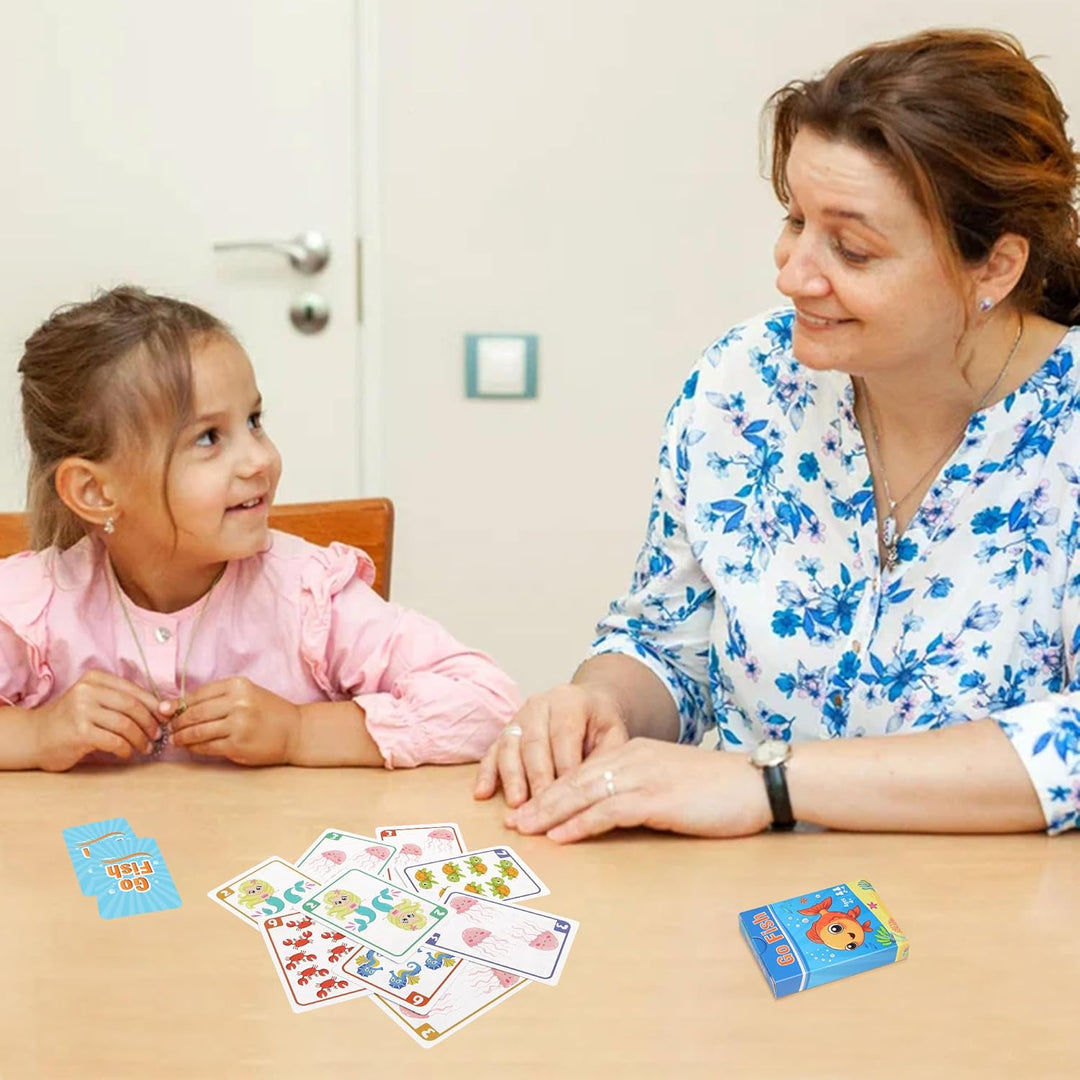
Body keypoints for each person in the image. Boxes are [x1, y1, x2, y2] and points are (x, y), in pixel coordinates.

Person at [476, 28, 1080, 841]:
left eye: (853, 248)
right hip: (748, 903)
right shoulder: (745, 383)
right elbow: (667, 641)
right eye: (795, 220)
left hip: (998, 930)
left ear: (995, 269)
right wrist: (600, 702)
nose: (792, 271)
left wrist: (769, 784)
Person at [0, 286, 518, 771]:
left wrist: (299, 731)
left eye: (253, 421)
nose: (260, 459)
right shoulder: (31, 608)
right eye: (208, 438)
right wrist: (37, 734)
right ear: (95, 492)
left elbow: (488, 704)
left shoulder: (310, 598)